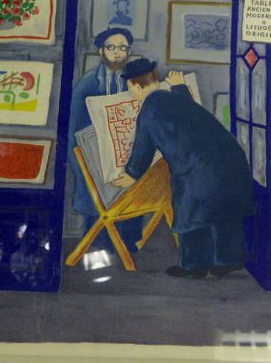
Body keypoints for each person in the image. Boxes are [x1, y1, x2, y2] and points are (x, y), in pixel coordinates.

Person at [113, 58, 255, 279]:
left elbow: (143, 148)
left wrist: (132, 174)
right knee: (224, 212)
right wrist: (179, 87)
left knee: (191, 214)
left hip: (198, 170)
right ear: (155, 79)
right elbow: (188, 114)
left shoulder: (149, 110)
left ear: (133, 85)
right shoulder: (176, 98)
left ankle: (194, 266)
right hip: (231, 161)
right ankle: (228, 260)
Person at [67, 27, 143, 254]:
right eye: (111, 47)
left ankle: (127, 244)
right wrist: (83, 168)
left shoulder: (137, 80)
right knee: (99, 214)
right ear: (101, 51)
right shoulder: (88, 84)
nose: (117, 52)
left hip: (129, 155)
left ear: (129, 51)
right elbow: (74, 131)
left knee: (132, 196)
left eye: (122, 47)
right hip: (96, 158)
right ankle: (99, 245)